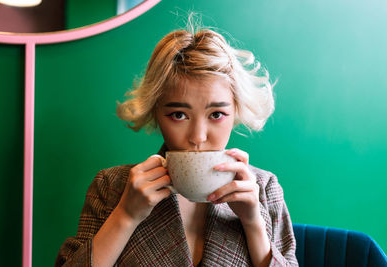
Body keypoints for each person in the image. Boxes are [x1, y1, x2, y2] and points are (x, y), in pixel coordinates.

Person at [55, 23, 298, 267]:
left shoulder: (263, 189)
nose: (198, 136)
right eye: (179, 115)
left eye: (216, 114)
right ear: (155, 112)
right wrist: (125, 216)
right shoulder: (112, 187)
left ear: (235, 111)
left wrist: (253, 223)